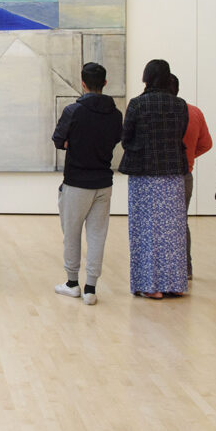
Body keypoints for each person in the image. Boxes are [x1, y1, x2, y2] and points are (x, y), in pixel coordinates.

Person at [51, 62, 123, 305]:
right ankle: (91, 288)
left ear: (82, 83)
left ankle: (72, 283)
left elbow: (58, 140)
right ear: (104, 83)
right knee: (97, 236)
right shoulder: (115, 114)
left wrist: (75, 144)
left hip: (76, 182)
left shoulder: (74, 111)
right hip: (103, 182)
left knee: (71, 234)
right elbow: (115, 139)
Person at [118, 59, 189, 299]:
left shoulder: (138, 104)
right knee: (173, 231)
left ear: (146, 77)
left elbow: (126, 138)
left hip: (144, 174)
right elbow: (180, 134)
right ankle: (175, 283)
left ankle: (151, 286)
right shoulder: (179, 105)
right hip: (173, 174)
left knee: (145, 229)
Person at [169, 73, 212, 279]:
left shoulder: (164, 113)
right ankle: (185, 269)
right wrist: (189, 156)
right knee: (181, 221)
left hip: (165, 173)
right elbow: (206, 144)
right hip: (186, 173)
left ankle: (167, 271)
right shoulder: (194, 112)